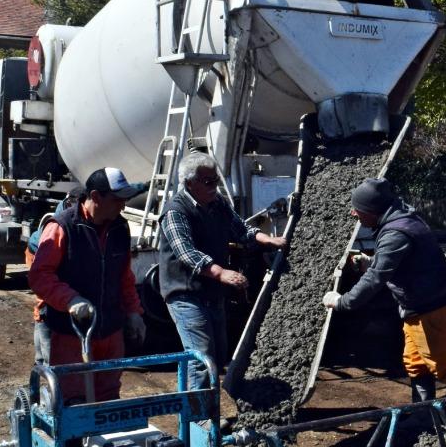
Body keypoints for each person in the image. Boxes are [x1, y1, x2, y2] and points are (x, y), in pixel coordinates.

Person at [322, 178, 446, 434]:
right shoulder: (400, 220)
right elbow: (395, 261)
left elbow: (375, 279)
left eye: (357, 210)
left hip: (435, 310)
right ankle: (424, 415)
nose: (353, 214)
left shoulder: (396, 232)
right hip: (421, 309)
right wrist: (370, 261)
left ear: (371, 211)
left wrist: (342, 302)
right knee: (415, 362)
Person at [159, 152, 286, 388]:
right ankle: (197, 418)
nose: (214, 187)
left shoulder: (217, 204)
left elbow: (239, 229)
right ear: (189, 183)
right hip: (185, 294)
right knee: (201, 357)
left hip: (211, 293)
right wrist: (220, 272)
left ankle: (207, 411)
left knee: (217, 356)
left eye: (216, 180)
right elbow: (186, 253)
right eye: (208, 182)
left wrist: (265, 239)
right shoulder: (175, 211)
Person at [29, 167, 148, 402]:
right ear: (95, 197)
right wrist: (70, 299)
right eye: (116, 200)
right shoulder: (63, 227)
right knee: (73, 399)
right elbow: (39, 276)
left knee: (108, 399)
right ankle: (72, 440)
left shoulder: (120, 228)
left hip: (110, 331)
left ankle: (101, 439)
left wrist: (134, 312)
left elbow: (124, 277)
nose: (122, 206)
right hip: (72, 334)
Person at [25, 186, 85, 366]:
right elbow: (43, 272)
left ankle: (43, 360)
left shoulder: (72, 214)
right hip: (37, 255)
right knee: (45, 303)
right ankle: (44, 360)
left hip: (45, 256)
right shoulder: (59, 222)